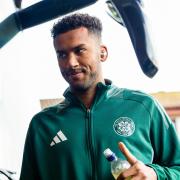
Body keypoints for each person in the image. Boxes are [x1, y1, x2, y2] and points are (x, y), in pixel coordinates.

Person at [20, 13, 180, 180]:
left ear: (102, 53)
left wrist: (155, 174)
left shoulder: (144, 107)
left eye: (79, 50)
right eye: (62, 55)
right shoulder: (42, 125)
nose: (71, 63)